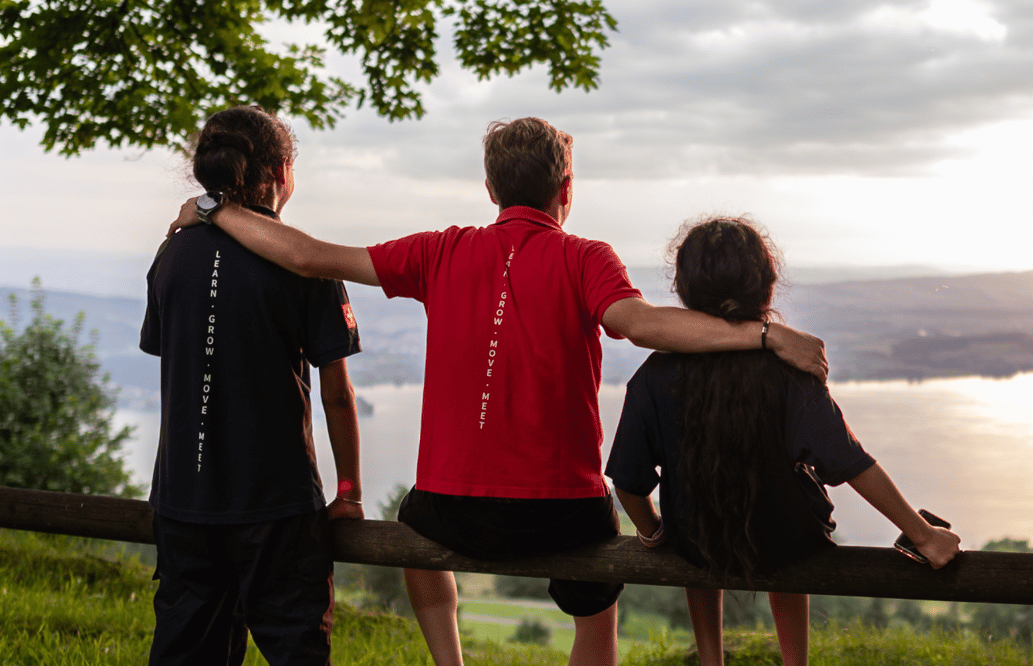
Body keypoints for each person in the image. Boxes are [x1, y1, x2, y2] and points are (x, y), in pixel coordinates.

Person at [167, 117, 830, 666]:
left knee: (411, 529)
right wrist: (762, 336)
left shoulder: (439, 250)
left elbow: (308, 256)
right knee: (599, 594)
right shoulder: (586, 258)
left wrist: (212, 209)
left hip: (449, 509)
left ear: (490, 188)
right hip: (562, 512)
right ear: (565, 188)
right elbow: (644, 325)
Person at [605, 215, 961, 666]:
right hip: (789, 540)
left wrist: (655, 533)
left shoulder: (654, 376)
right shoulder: (788, 371)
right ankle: (796, 662)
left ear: (683, 288)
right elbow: (848, 461)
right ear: (767, 284)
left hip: (696, 540)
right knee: (789, 532)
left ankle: (710, 659)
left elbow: (629, 483)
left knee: (693, 535)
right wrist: (922, 534)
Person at [140, 105, 365, 666]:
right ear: (283, 171)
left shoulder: (171, 254)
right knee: (296, 650)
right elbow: (336, 391)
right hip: (277, 505)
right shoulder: (302, 262)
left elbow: (180, 358)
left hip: (182, 500)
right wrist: (350, 489)